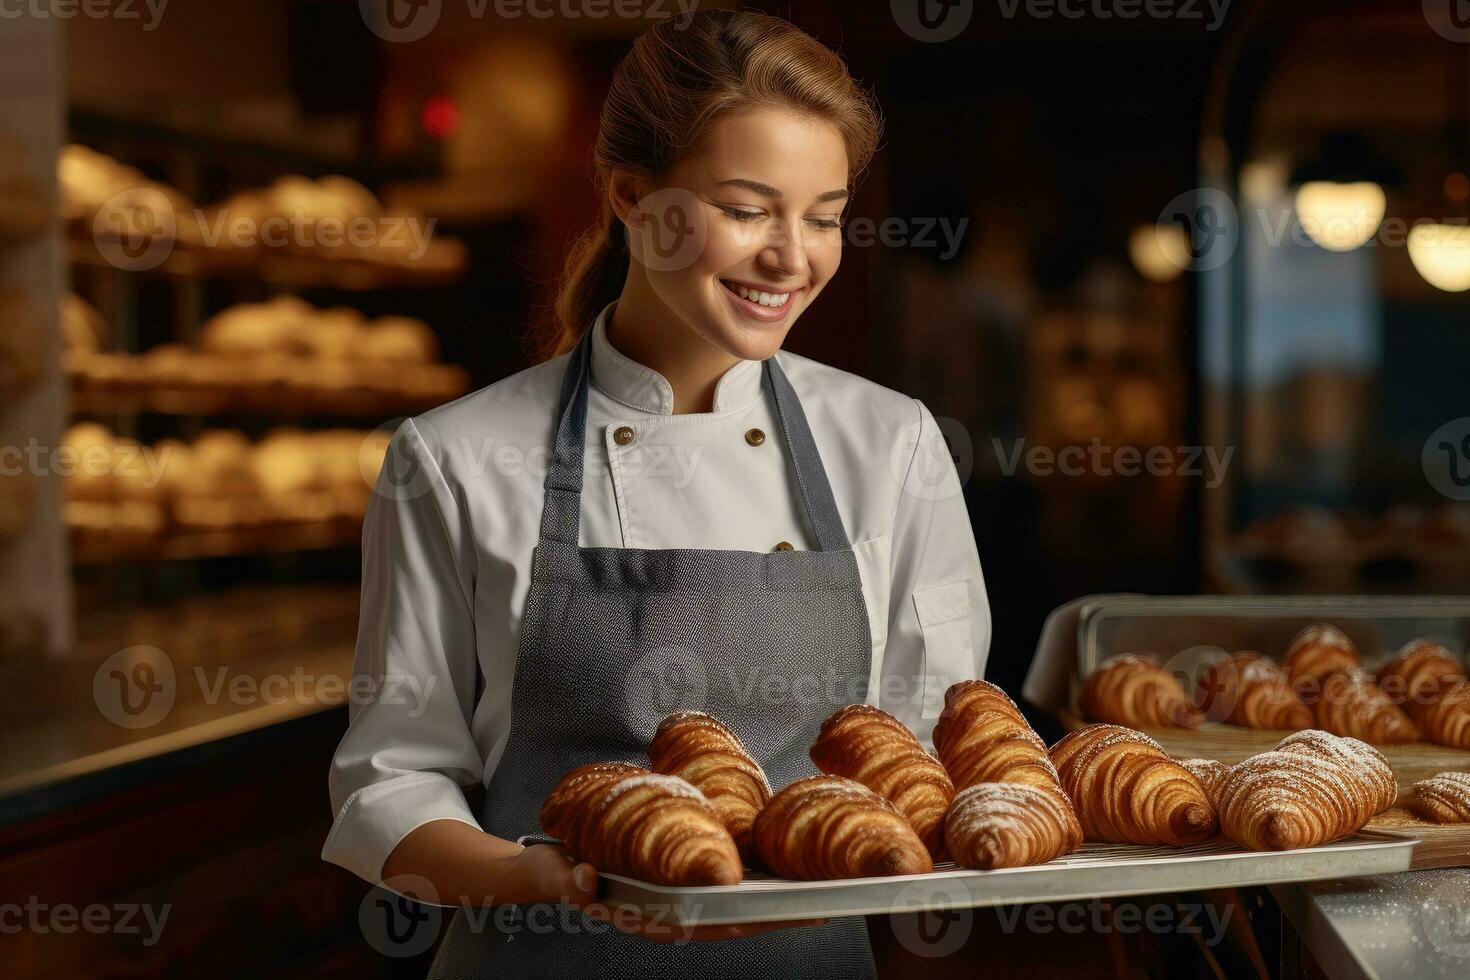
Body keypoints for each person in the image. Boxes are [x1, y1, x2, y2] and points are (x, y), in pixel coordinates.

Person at [323, 10, 990, 978]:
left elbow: (925, 760)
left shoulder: (892, 446)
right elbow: (393, 778)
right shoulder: (456, 458)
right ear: (632, 196)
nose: (791, 256)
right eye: (749, 207)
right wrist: (541, 878)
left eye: (823, 215)